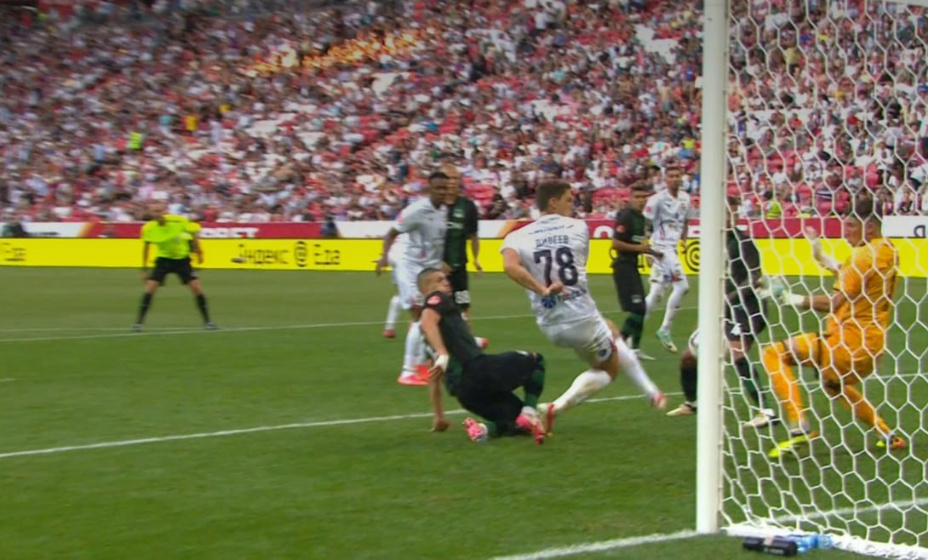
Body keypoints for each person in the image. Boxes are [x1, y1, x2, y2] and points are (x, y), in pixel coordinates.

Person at [500, 181, 665, 435]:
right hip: (581, 317)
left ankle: (651, 391)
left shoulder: (517, 236)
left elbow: (510, 266)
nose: (573, 204)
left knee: (611, 329)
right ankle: (557, 406)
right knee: (609, 369)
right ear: (553, 202)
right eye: (568, 199)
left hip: (548, 323)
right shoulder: (578, 227)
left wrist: (542, 289)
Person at [762, 197, 905, 458]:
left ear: (869, 227)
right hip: (871, 348)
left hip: (847, 345)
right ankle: (886, 434)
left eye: (851, 226)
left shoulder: (862, 256)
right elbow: (851, 275)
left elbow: (834, 302)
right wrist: (820, 255)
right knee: (832, 385)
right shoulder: (887, 250)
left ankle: (799, 425)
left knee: (774, 353)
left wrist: (790, 299)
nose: (845, 232)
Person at [666, 196, 777, 428]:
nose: (727, 216)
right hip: (723, 311)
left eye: (731, 211)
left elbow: (755, 276)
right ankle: (692, 403)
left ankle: (766, 411)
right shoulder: (712, 244)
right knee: (688, 358)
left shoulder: (743, 242)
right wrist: (707, 315)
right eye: (723, 211)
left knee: (737, 354)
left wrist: (730, 298)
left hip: (748, 308)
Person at [417, 268, 547, 444]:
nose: (446, 282)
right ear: (425, 288)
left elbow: (434, 379)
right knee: (536, 361)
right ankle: (530, 412)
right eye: (439, 280)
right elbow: (427, 320)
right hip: (479, 370)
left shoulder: (427, 339)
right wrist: (443, 353)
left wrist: (439, 416)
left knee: (517, 422)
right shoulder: (437, 299)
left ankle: (483, 429)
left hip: (465, 395)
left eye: (446, 279)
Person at [375, 172, 449, 386]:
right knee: (419, 316)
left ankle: (421, 364)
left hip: (428, 269)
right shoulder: (415, 211)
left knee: (434, 313)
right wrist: (384, 257)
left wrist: (441, 262)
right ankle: (407, 371)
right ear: (429, 189)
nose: (443, 192)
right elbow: (391, 233)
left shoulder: (444, 210)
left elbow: (436, 242)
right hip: (410, 269)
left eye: (445, 188)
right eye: (438, 188)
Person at [133, 202, 215, 331]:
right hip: (163, 260)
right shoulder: (148, 228)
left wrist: (199, 251)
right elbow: (146, 247)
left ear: (166, 211)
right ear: (150, 213)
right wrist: (144, 269)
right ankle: (138, 323)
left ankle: (208, 322)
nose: (158, 214)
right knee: (150, 289)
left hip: (182, 260)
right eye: (154, 211)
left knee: (197, 288)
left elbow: (193, 232)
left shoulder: (179, 221)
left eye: (160, 211)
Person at [643, 164, 693, 353]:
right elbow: (645, 224)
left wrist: (684, 241)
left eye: (677, 176)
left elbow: (686, 222)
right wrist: (646, 249)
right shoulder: (656, 199)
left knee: (656, 294)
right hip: (660, 249)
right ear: (665, 179)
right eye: (671, 176)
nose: (674, 179)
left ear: (681, 178)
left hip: (672, 249)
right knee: (683, 286)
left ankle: (631, 333)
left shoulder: (686, 198)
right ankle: (665, 329)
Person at [611, 184, 663, 361]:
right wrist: (639, 249)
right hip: (623, 267)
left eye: (643, 197)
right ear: (631, 198)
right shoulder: (626, 217)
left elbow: (640, 245)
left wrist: (653, 253)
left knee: (641, 308)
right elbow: (615, 243)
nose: (641, 201)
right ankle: (619, 346)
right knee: (639, 308)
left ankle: (634, 349)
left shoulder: (642, 219)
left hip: (633, 266)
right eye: (637, 197)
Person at [441, 163, 483, 318]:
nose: (452, 182)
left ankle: (465, 334)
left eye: (455, 178)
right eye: (449, 178)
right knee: (432, 308)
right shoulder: (432, 206)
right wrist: (438, 261)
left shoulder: (468, 206)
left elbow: (474, 236)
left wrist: (476, 258)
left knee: (463, 307)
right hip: (434, 268)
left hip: (459, 269)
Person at [382, 232, 407, 339]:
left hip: (396, 259)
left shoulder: (399, 228)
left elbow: (388, 237)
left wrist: (385, 257)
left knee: (400, 295)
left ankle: (389, 328)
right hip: (407, 261)